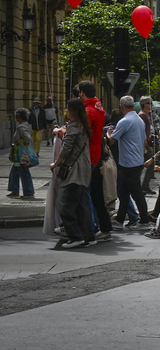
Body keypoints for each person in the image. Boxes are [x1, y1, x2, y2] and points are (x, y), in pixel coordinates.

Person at [106, 96, 154, 231]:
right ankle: (120, 219)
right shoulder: (139, 120)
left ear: (121, 106)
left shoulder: (124, 121)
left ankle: (144, 220)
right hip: (136, 160)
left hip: (128, 163)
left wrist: (108, 133)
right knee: (124, 192)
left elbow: (112, 140)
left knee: (134, 192)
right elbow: (144, 141)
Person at [51, 98, 93, 248]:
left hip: (75, 171)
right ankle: (85, 236)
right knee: (80, 205)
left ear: (72, 111)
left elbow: (66, 149)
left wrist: (56, 164)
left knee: (64, 204)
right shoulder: (81, 125)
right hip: (83, 168)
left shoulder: (74, 127)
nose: (65, 111)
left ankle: (75, 236)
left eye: (67, 109)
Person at [78, 80, 112, 243]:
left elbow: (83, 134)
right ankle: (96, 226)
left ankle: (90, 229)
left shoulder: (88, 111)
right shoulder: (99, 109)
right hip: (96, 154)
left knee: (85, 194)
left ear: (82, 93)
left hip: (88, 155)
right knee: (92, 193)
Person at [7, 108, 35, 199]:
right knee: (14, 171)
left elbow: (27, 139)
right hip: (20, 152)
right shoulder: (25, 126)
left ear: (19, 117)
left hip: (21, 152)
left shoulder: (22, 128)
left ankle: (28, 191)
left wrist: (18, 142)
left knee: (24, 171)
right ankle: (14, 190)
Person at [138, 96, 156, 195]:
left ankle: (143, 186)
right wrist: (145, 143)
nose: (152, 105)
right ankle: (142, 186)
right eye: (150, 103)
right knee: (148, 163)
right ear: (145, 104)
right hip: (143, 144)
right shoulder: (142, 115)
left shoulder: (145, 115)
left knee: (143, 164)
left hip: (146, 143)